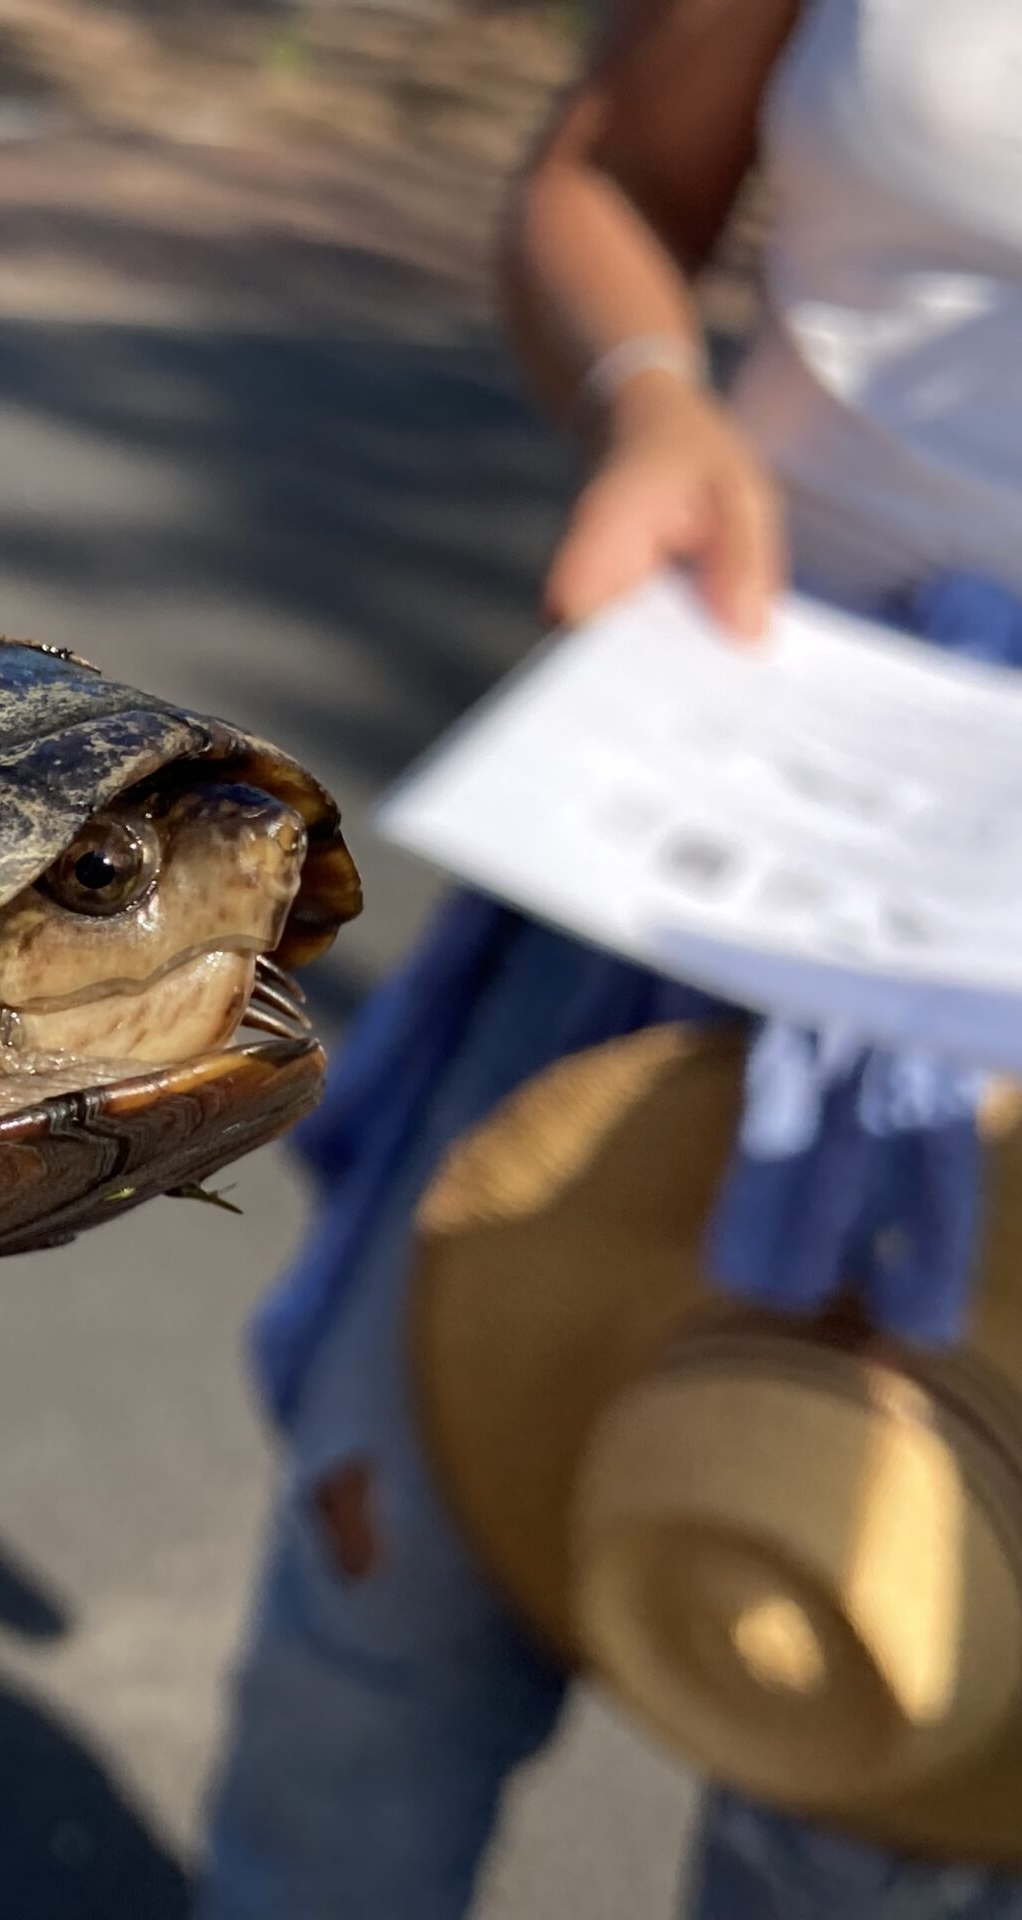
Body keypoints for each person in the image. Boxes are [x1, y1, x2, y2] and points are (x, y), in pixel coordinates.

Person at [198, 1, 1022, 1914]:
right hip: (722, 803)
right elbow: (601, 177)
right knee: (381, 1591)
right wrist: (653, 397)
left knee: (875, 1753)